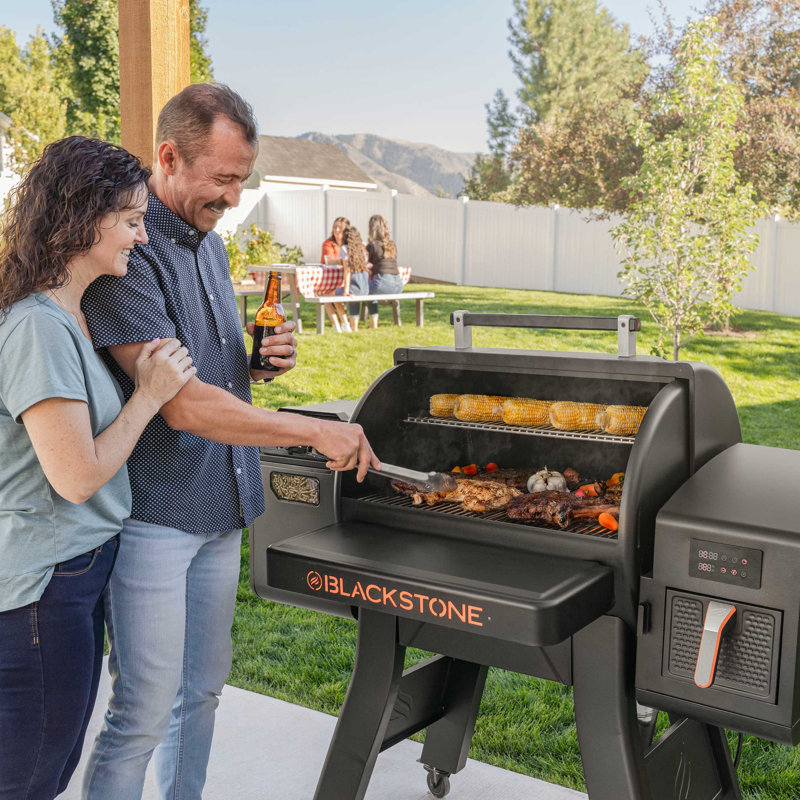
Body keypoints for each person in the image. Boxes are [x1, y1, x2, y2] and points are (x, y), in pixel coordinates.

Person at [79, 83, 378, 800]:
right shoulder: (128, 248)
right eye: (223, 179)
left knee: (203, 693)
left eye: (243, 179)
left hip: (220, 508)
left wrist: (251, 363)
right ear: (169, 157)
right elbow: (179, 406)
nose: (235, 197)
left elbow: (202, 373)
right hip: (155, 513)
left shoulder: (209, 242)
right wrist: (313, 430)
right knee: (142, 711)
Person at [0, 137, 195, 800]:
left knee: (45, 765)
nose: (142, 239)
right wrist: (148, 398)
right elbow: (78, 477)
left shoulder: (75, 315)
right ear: (84, 218)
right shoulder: (39, 328)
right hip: (44, 586)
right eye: (133, 221)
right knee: (30, 775)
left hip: (73, 575)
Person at [366, 214, 403, 329]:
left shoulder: (372, 246)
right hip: (398, 285)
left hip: (383, 282)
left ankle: (373, 323)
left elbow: (366, 263)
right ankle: (396, 321)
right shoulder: (392, 245)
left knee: (365, 291)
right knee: (371, 288)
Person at [334, 226, 370, 332]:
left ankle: (346, 324)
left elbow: (347, 270)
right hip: (365, 288)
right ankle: (353, 326)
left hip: (355, 287)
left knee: (333, 294)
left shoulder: (345, 249)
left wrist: (345, 291)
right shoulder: (362, 250)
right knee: (353, 294)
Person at [320, 216, 350, 332]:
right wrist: (344, 261)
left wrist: (342, 261)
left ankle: (340, 325)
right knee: (326, 293)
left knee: (329, 294)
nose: (336, 230)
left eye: (340, 228)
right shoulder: (328, 244)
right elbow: (328, 260)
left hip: (346, 280)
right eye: (335, 227)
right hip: (331, 278)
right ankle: (339, 324)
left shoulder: (349, 245)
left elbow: (336, 260)